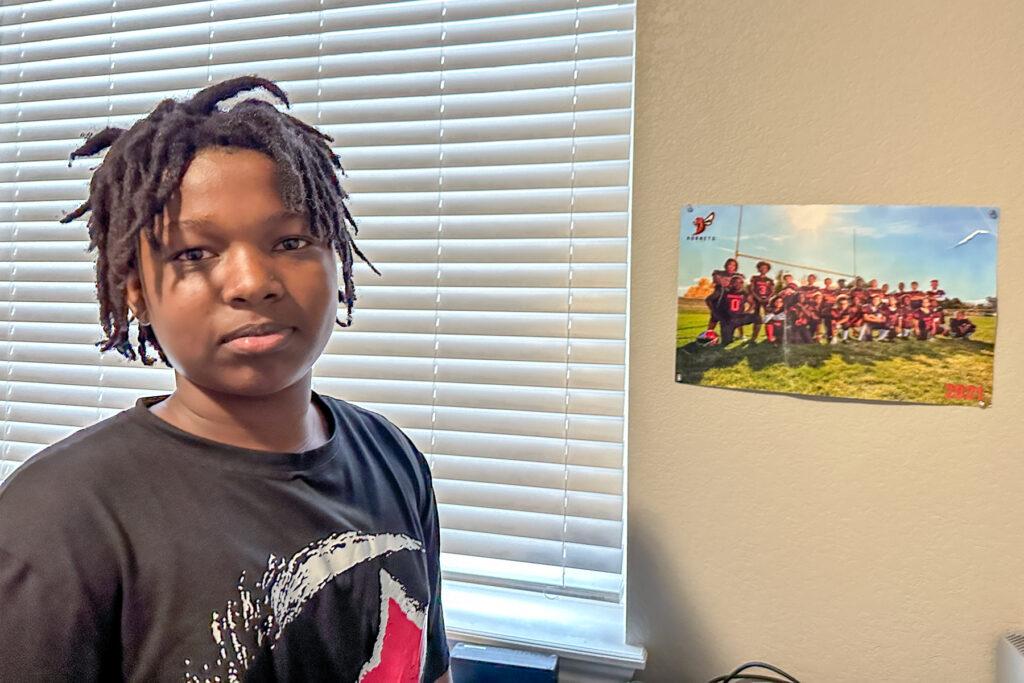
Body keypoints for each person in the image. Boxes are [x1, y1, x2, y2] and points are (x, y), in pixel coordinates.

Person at [0, 77, 452, 682]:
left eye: (291, 241)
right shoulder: (61, 516)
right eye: (195, 253)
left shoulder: (392, 459)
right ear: (135, 291)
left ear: (335, 257)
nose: (250, 282)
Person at [716, 275, 760, 345]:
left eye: (740, 282)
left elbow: (752, 304)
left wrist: (747, 311)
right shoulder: (725, 292)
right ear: (731, 283)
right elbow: (719, 307)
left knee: (757, 317)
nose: (738, 284)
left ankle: (753, 339)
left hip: (739, 318)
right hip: (728, 320)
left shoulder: (745, 293)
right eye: (735, 282)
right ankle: (728, 336)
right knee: (726, 342)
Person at [705, 257, 742, 332]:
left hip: (730, 299)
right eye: (729, 264)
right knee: (714, 317)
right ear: (726, 265)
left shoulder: (738, 275)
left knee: (736, 316)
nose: (731, 266)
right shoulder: (718, 273)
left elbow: (739, 284)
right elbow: (719, 282)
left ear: (736, 267)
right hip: (719, 297)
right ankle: (708, 333)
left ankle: (741, 334)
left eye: (733, 265)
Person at [748, 261, 775, 340]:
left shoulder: (769, 280)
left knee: (768, 317)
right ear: (758, 269)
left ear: (768, 270)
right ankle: (754, 337)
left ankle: (769, 336)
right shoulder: (755, 278)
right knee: (757, 318)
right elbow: (752, 289)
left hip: (766, 300)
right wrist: (757, 297)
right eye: (762, 268)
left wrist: (768, 298)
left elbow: (773, 291)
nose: (763, 269)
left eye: (765, 268)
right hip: (757, 299)